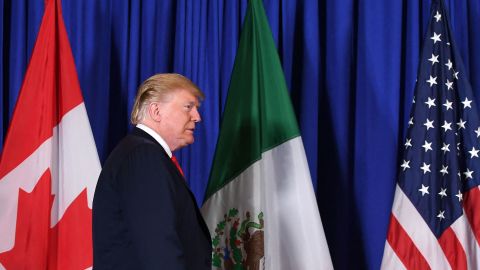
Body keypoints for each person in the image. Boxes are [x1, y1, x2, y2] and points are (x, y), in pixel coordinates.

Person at [92, 73, 212, 269]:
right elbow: (159, 251)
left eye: (196, 109)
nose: (197, 117)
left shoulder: (142, 153)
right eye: (188, 107)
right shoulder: (143, 156)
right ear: (156, 111)